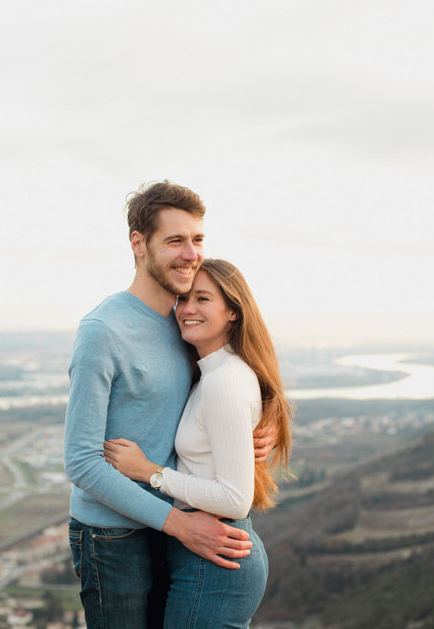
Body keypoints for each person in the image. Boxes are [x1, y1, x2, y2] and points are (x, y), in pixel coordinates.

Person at [64, 182, 275, 629]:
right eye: (175, 240)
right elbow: (82, 462)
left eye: (197, 239)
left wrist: (265, 424)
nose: (190, 253)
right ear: (138, 244)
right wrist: (176, 524)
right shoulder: (103, 331)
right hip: (114, 534)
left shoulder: (185, 324)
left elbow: (227, 387)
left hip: (174, 526)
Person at [104, 258, 293, 629]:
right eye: (184, 299)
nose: (187, 309)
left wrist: (150, 473)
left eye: (202, 299)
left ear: (233, 312)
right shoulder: (212, 372)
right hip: (207, 554)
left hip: (215, 561)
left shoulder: (226, 380)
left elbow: (235, 497)